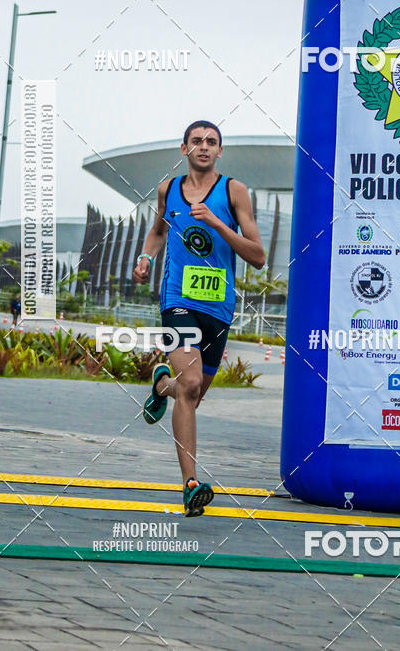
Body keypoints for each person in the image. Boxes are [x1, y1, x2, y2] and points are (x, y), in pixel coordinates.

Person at [132, 121, 265, 517]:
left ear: (220, 151)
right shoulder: (168, 189)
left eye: (212, 142)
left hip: (219, 309)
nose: (204, 147)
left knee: (191, 394)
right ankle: (191, 485)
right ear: (184, 148)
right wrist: (145, 257)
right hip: (178, 301)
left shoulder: (234, 192)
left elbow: (257, 256)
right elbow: (157, 231)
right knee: (190, 385)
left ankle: (161, 386)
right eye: (197, 141)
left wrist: (218, 223)